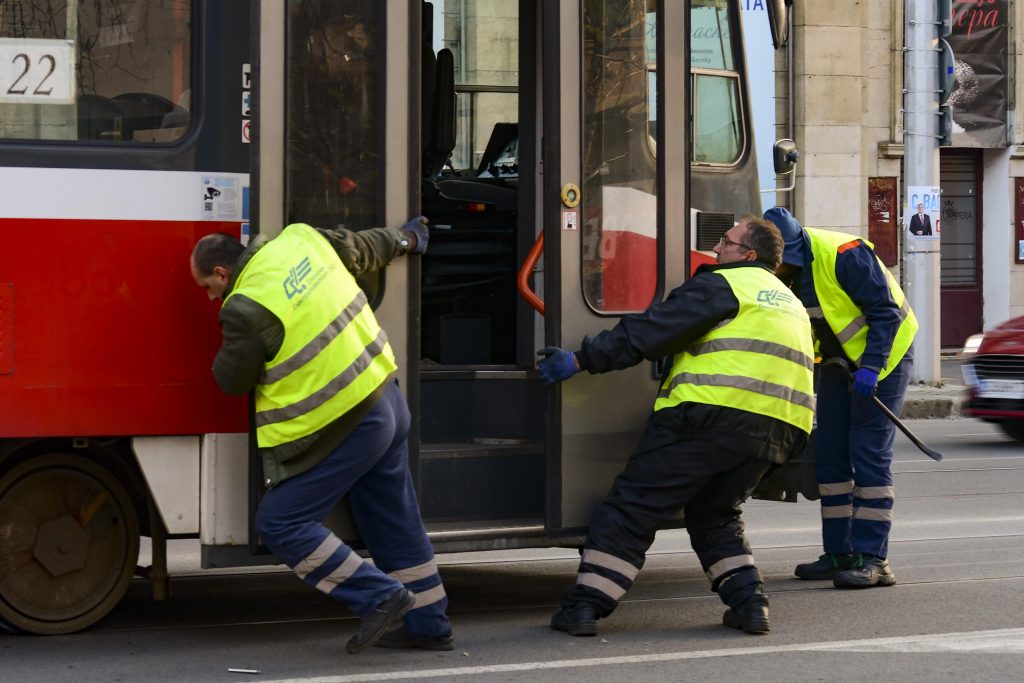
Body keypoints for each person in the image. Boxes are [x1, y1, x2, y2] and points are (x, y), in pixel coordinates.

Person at [538, 216, 814, 636]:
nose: (717, 249)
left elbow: (651, 331)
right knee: (715, 512)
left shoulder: (725, 285)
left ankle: (585, 607)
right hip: (778, 431)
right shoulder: (788, 301)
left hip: (709, 417)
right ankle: (750, 603)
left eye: (726, 242)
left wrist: (580, 359)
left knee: (634, 507)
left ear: (749, 255)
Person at [189, 217, 454, 653]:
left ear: (221, 273)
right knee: (394, 518)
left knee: (281, 521)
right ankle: (430, 625)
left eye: (206, 287)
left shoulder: (244, 307)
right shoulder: (301, 240)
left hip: (350, 423)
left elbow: (231, 380)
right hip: (386, 395)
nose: (209, 296)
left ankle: (380, 596)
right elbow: (363, 246)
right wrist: (406, 239)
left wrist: (225, 320)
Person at [763, 207, 917, 589]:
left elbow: (886, 314)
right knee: (830, 455)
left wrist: (872, 368)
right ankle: (840, 554)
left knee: (867, 454)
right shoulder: (776, 272)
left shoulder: (846, 253)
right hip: (836, 363)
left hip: (885, 359)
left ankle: (874, 559)